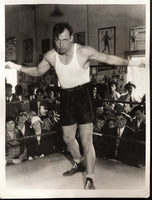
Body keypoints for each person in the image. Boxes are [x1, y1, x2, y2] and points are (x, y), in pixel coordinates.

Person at [5, 22, 144, 189]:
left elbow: (108, 58)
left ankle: (90, 178)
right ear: (54, 40)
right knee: (68, 138)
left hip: (84, 96)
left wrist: (134, 64)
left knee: (86, 140)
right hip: (66, 96)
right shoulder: (51, 55)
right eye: (58, 40)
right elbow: (37, 70)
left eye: (65, 39)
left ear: (71, 38)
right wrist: (16, 67)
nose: (61, 44)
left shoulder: (83, 51)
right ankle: (79, 163)